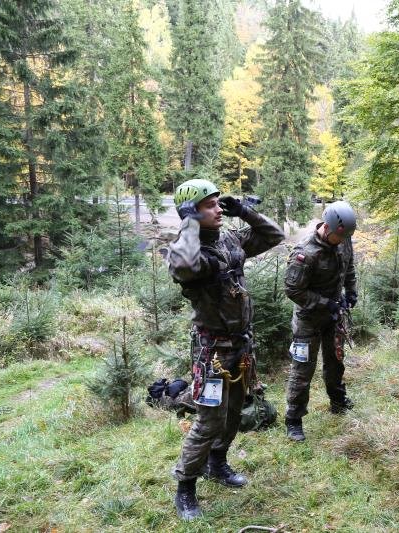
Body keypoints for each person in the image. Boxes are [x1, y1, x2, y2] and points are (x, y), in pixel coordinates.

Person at [167, 178, 285, 520]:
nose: (218, 209)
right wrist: (189, 223)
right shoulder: (184, 250)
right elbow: (187, 268)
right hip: (212, 351)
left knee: (233, 414)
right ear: (190, 212)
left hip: (240, 345)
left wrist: (244, 211)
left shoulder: (229, 238)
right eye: (210, 205)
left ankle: (217, 464)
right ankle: (185, 487)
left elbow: (273, 236)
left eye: (219, 203)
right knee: (209, 420)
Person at [283, 201, 358, 442]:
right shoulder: (305, 253)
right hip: (308, 319)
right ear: (327, 227)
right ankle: (294, 419)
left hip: (333, 316)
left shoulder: (343, 237)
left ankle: (337, 400)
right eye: (339, 236)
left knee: (335, 361)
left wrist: (351, 291)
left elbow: (349, 268)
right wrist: (325, 303)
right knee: (302, 369)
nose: (343, 240)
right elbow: (293, 290)